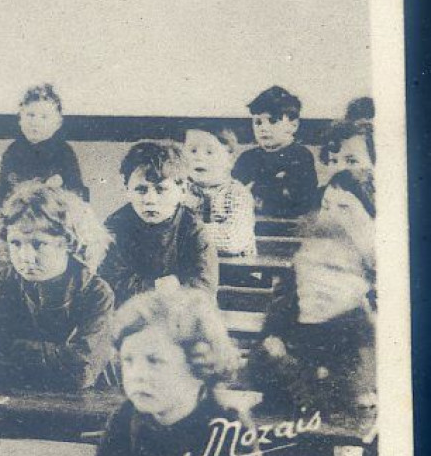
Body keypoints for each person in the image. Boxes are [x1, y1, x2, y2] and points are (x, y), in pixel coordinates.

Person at [79, 286, 263, 456]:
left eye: (154, 361)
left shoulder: (231, 430)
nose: (137, 374)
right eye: (128, 360)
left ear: (198, 365)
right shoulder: (124, 419)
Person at [0, 181, 115, 392]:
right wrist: (62, 354)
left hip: (87, 402)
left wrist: (17, 349)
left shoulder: (96, 292)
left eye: (38, 244)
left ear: (69, 242)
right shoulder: (3, 282)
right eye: (16, 243)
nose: (25, 257)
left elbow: (82, 372)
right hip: (18, 398)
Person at [244, 217, 376, 424]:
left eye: (335, 269)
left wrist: (283, 361)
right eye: (309, 263)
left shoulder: (362, 330)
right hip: (278, 426)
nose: (320, 279)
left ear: (360, 282)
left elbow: (340, 402)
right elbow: (256, 375)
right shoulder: (284, 309)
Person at [99, 140, 219, 307]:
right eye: (141, 190)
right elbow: (111, 285)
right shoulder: (115, 227)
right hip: (130, 315)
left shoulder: (193, 229)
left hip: (180, 317)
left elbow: (203, 288)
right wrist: (156, 286)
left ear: (182, 191)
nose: (150, 200)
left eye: (161, 190)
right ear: (126, 189)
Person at [232, 85, 318, 218]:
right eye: (258, 122)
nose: (263, 128)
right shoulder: (247, 158)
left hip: (289, 226)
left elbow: (302, 202)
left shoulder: (301, 156)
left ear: (293, 125)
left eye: (273, 121)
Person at [0, 83, 86, 200]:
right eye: (30, 115)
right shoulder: (13, 150)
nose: (35, 122)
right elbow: (3, 187)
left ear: (57, 124)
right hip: (19, 208)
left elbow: (76, 189)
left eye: (44, 117)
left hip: (52, 208)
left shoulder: (63, 151)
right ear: (20, 119)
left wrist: (60, 184)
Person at [183, 124, 257, 257]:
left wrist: (185, 232)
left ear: (230, 160)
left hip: (236, 271)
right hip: (192, 271)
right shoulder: (180, 191)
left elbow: (232, 240)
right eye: (192, 151)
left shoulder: (238, 194)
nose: (198, 157)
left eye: (209, 152)